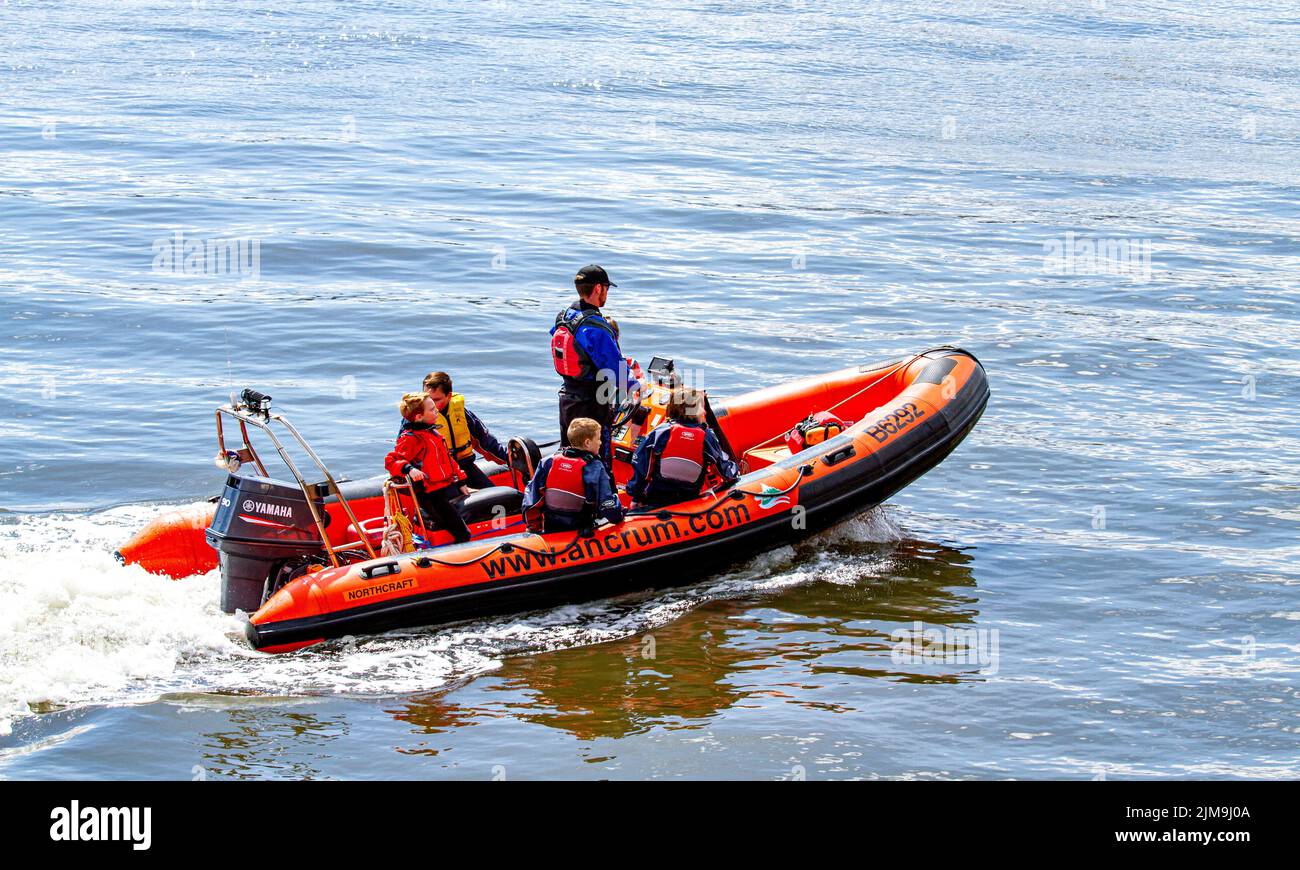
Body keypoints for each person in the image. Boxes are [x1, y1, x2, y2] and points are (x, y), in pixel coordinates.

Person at [549, 264, 640, 486]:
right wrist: (636, 388)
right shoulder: (594, 328)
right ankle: (603, 507)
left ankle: (568, 494)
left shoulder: (564, 317)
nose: (606, 294)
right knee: (598, 459)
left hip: (567, 400)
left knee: (570, 452)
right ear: (598, 288)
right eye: (606, 288)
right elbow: (616, 369)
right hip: (592, 404)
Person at [627, 386, 739, 508]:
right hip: (690, 500)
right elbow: (725, 471)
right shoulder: (706, 437)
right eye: (702, 408)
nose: (705, 412)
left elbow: (642, 469)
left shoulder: (659, 432)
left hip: (656, 498)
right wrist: (737, 471)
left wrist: (636, 496)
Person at [384, 392, 472, 544]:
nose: (436, 411)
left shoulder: (432, 433)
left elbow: (449, 461)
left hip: (445, 487)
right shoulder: (411, 439)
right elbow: (392, 460)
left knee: (458, 520)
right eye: (431, 409)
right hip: (430, 495)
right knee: (463, 533)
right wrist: (409, 468)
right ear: (418, 417)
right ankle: (458, 555)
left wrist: (461, 482)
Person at [522, 417, 625, 533]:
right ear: (587, 443)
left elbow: (531, 500)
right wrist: (620, 515)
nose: (600, 443)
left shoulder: (548, 462)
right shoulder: (595, 467)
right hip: (581, 531)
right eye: (598, 439)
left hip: (551, 528)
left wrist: (533, 528)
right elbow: (607, 505)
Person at [422, 371, 508, 490]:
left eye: (436, 400)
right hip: (438, 475)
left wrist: (509, 457)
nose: (431, 404)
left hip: (465, 466)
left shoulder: (461, 412)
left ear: (449, 396)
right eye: (428, 398)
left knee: (495, 497)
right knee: (454, 505)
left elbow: (484, 440)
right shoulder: (417, 418)